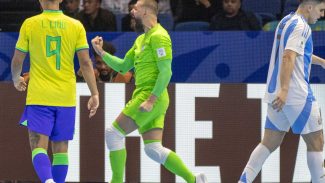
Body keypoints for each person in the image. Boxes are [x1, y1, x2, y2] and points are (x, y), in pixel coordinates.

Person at [91, 0, 208, 182]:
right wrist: (101, 53)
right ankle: (194, 180)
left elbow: (166, 71)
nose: (131, 11)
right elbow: (122, 67)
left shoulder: (159, 36)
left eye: (135, 8)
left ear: (145, 12)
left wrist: (151, 100)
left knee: (112, 133)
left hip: (151, 95)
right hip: (148, 96)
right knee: (153, 149)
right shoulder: (140, 39)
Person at [11, 0, 99, 183]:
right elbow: (85, 63)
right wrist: (95, 93)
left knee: (38, 147)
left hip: (40, 96)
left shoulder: (30, 24)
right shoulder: (76, 25)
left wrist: (16, 78)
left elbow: (18, 60)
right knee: (61, 150)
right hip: (65, 97)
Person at [239, 0, 325, 183]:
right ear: (310, 7)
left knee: (269, 142)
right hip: (295, 94)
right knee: (316, 142)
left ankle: (243, 181)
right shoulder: (302, 27)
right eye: (321, 9)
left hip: (275, 93)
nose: (322, 15)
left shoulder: (286, 20)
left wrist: (322, 62)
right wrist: (285, 90)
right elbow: (288, 56)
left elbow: (296, 52)